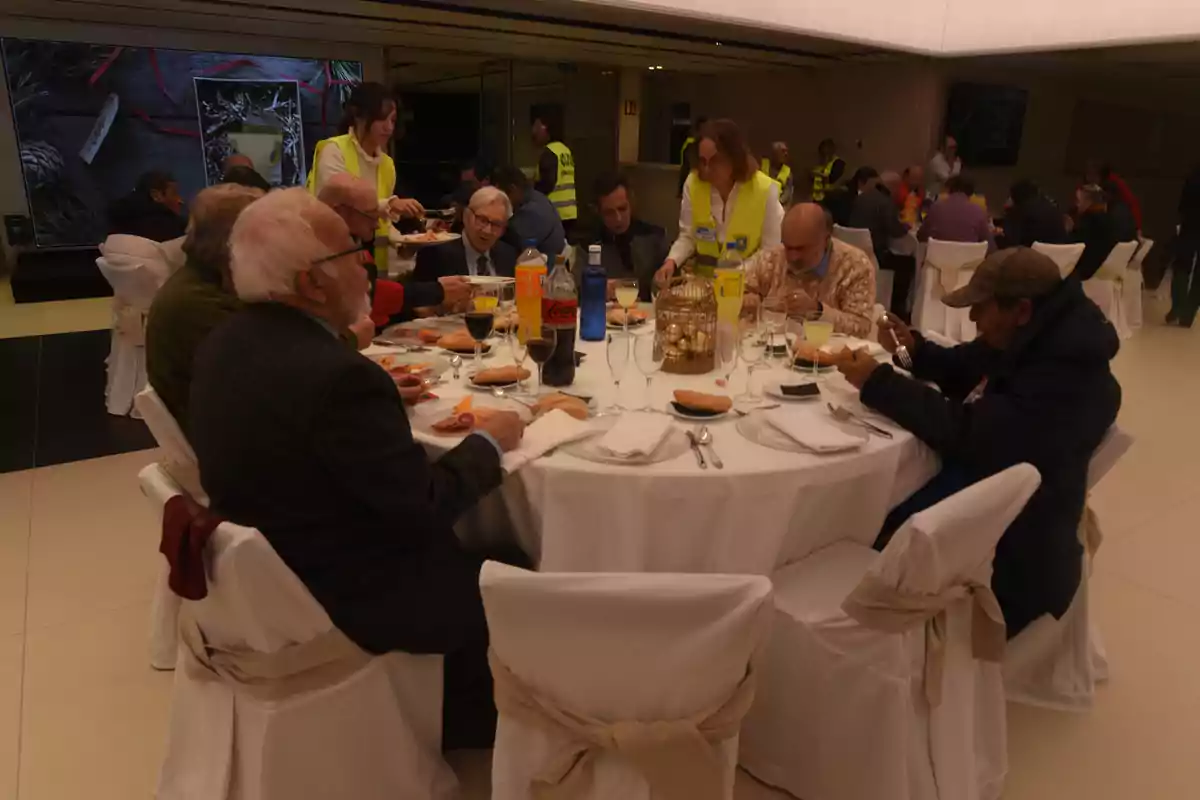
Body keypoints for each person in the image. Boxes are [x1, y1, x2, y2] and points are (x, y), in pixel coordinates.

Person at [187, 188, 524, 749]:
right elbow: (425, 507)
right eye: (351, 252)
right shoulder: (338, 378)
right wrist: (491, 439)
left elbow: (305, 426)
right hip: (345, 592)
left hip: (275, 574)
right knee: (512, 564)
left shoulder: (224, 344)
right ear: (312, 283)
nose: (366, 264)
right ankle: (464, 724)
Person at [835, 247, 1120, 638]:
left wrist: (877, 382)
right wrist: (912, 349)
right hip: (1002, 513)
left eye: (981, 308)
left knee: (870, 519)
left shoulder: (1066, 378)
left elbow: (965, 432)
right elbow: (964, 365)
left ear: (1020, 310)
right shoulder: (1038, 335)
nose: (971, 318)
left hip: (1008, 566)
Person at [308, 82, 425, 272]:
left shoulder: (387, 164)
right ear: (359, 117)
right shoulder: (334, 150)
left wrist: (404, 245)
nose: (388, 127)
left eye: (393, 121)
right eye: (381, 119)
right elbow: (336, 207)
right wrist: (389, 205)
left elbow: (382, 225)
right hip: (332, 256)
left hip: (372, 265)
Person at [318, 174, 470, 318]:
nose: (377, 225)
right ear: (340, 212)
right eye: (370, 215)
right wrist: (436, 291)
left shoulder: (354, 245)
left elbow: (375, 305)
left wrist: (417, 311)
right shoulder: (317, 251)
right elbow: (366, 293)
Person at [655, 119, 784, 286]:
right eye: (703, 161)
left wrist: (733, 275)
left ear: (735, 157)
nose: (707, 169)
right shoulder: (694, 184)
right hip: (702, 287)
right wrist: (671, 261)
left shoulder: (765, 190)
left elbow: (770, 254)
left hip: (748, 287)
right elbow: (688, 236)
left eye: (715, 161)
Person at [742, 203, 876, 337]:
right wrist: (747, 299)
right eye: (788, 247)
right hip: (773, 351)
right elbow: (737, 291)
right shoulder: (772, 259)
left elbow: (861, 327)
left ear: (826, 240)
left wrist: (817, 310)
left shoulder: (855, 266)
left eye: (801, 249)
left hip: (831, 353)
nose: (792, 257)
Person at [412, 187, 518, 299]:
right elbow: (419, 307)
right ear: (466, 216)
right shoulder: (435, 254)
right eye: (482, 220)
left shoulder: (509, 255)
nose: (487, 230)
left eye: (496, 224)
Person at [590, 172, 669, 301]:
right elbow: (575, 290)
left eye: (622, 209)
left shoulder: (654, 238)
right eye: (609, 212)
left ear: (631, 205)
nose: (618, 218)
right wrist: (596, 289)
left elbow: (673, 285)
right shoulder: (588, 244)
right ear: (598, 212)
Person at [492, 165, 566, 260]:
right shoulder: (533, 199)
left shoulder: (535, 210)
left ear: (512, 189)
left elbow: (506, 237)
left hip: (542, 270)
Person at [847, 167, 908, 266]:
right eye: (898, 187)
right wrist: (905, 228)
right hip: (876, 254)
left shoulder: (861, 197)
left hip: (855, 252)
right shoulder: (885, 202)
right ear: (893, 186)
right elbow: (895, 231)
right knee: (909, 263)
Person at [919, 174, 995, 251]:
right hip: (969, 261)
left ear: (949, 189)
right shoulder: (978, 211)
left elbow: (921, 236)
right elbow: (989, 244)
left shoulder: (936, 207)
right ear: (971, 192)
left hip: (937, 261)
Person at [531, 111, 577, 236]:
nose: (533, 132)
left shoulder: (550, 152)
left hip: (554, 212)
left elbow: (548, 182)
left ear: (545, 129)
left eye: (536, 127)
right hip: (570, 212)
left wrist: (531, 192)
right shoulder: (564, 150)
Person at [108, 170, 187, 242]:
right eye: (174, 193)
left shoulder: (115, 225)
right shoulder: (171, 229)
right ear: (155, 195)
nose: (180, 200)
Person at [1069, 184, 1120, 281]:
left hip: (1087, 272)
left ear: (1088, 201)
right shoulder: (1108, 218)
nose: (1076, 204)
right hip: (1104, 269)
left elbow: (1073, 247)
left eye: (1078, 200)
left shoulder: (1089, 221)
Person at [1171, 165, 1200, 327]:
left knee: (1181, 265)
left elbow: (1183, 203)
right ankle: (1188, 313)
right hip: (1190, 222)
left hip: (1189, 224)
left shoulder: (1194, 175)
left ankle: (1177, 307)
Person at [1000, 180, 1065, 249]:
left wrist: (1007, 211)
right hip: (1060, 256)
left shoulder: (1020, 212)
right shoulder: (1053, 209)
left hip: (1032, 257)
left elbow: (1011, 243)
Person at [1085, 161, 1142, 233]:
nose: (1090, 178)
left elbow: (1132, 203)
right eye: (1088, 174)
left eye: (1093, 175)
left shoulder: (1115, 185)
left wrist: (1138, 228)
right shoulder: (1085, 186)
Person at [677, 116, 708, 197]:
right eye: (704, 128)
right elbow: (688, 167)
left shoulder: (710, 145)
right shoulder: (692, 145)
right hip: (695, 185)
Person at [810, 138, 845, 203]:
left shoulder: (839, 163)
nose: (824, 156)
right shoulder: (822, 164)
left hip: (830, 199)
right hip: (816, 198)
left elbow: (832, 180)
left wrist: (819, 175)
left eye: (825, 153)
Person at [761, 141, 794, 207]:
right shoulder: (761, 165)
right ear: (774, 153)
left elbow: (787, 193)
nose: (786, 154)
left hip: (776, 206)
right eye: (782, 151)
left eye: (786, 151)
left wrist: (776, 203)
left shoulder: (787, 172)